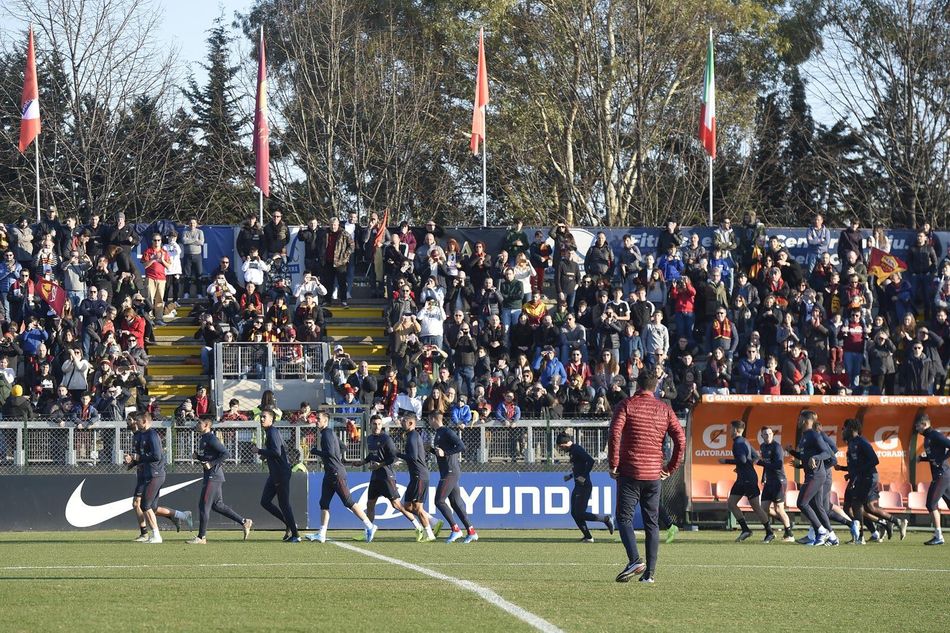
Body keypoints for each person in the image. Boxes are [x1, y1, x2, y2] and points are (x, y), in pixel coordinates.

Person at [608, 371, 685, 583]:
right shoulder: (664, 408)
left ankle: (634, 560)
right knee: (652, 523)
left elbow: (614, 434)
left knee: (624, 518)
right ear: (656, 386)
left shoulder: (626, 405)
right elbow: (680, 439)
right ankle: (649, 574)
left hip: (630, 471)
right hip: (653, 474)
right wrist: (670, 467)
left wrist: (614, 464)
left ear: (637, 384)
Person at [306, 410, 377, 543]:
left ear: (326, 421)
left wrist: (316, 452)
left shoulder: (327, 434)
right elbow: (343, 447)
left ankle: (370, 525)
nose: (316, 421)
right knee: (324, 503)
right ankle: (322, 534)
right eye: (316, 419)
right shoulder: (330, 433)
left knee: (348, 502)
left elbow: (330, 453)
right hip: (330, 472)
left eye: (318, 419)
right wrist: (334, 459)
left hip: (335, 473)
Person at [836, 417, 907, 545]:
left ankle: (861, 537)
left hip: (869, 478)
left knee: (860, 505)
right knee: (863, 507)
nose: (842, 431)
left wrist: (857, 472)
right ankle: (895, 522)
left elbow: (874, 460)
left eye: (844, 428)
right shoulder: (852, 443)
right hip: (859, 478)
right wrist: (845, 470)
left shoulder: (862, 442)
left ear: (851, 428)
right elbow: (856, 465)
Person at [187, 417, 253, 544]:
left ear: (206, 425)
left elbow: (225, 454)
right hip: (211, 476)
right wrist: (198, 457)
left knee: (203, 505)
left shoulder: (211, 438)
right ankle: (244, 522)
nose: (197, 424)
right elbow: (208, 457)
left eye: (200, 422)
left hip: (213, 476)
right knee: (217, 505)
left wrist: (211, 464)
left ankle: (201, 537)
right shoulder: (203, 439)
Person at [360, 414, 423, 541]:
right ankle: (368, 531)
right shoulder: (369, 439)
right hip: (375, 476)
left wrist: (380, 465)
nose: (377, 426)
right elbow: (371, 456)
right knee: (370, 504)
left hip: (386, 476)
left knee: (396, 505)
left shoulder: (386, 439)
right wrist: (362, 462)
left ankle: (418, 526)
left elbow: (394, 457)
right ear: (370, 425)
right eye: (374, 424)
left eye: (379, 424)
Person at [786, 410, 837, 546]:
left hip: (816, 475)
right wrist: (791, 452)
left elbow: (827, 454)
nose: (797, 422)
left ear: (804, 420)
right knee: (817, 506)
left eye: (799, 419)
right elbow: (805, 457)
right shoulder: (804, 436)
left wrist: (815, 458)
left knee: (802, 503)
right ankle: (832, 537)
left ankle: (821, 531)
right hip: (811, 474)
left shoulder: (814, 435)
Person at [718, 420, 774, 543]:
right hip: (742, 478)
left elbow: (743, 460)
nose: (729, 431)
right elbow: (755, 457)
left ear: (735, 430)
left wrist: (726, 461)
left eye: (730, 428)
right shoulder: (744, 441)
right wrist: (743, 467)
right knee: (731, 503)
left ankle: (769, 532)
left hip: (748, 479)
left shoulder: (739, 442)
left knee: (756, 507)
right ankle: (745, 530)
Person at [428, 412, 478, 543]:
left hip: (450, 472)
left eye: (429, 419)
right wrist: (431, 450)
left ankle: (455, 529)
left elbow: (461, 446)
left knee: (439, 501)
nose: (429, 422)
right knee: (456, 503)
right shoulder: (439, 433)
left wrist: (445, 452)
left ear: (433, 419)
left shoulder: (446, 432)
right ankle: (471, 532)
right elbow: (441, 453)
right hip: (447, 472)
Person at [252, 409, 300, 542]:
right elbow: (281, 448)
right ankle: (289, 524)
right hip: (275, 473)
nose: (261, 419)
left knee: (284, 504)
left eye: (264, 417)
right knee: (265, 501)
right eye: (261, 417)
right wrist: (265, 455)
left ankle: (296, 535)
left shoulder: (272, 431)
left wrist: (260, 451)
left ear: (271, 419)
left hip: (280, 472)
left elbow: (277, 452)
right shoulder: (270, 432)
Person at [557, 432, 614, 542]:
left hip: (584, 486)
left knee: (579, 513)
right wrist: (571, 476)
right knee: (574, 513)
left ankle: (606, 519)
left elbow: (590, 461)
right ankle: (588, 537)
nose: (561, 449)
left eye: (560, 447)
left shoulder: (577, 449)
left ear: (564, 444)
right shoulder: (573, 451)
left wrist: (583, 476)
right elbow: (579, 467)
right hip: (578, 485)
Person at [396, 413, 441, 542]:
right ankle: (434, 521)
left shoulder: (413, 436)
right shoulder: (411, 436)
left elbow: (413, 457)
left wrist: (397, 454)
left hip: (419, 475)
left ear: (410, 423)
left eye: (404, 421)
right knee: (407, 506)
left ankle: (430, 534)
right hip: (415, 476)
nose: (401, 423)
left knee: (417, 507)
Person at [915, 413, 950, 545]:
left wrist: (941, 459)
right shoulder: (928, 437)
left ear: (924, 424)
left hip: (941, 475)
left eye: (918, 426)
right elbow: (934, 456)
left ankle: (938, 536)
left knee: (931, 504)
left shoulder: (935, 435)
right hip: (943, 475)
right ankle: (938, 535)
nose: (916, 429)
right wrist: (923, 458)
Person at [756, 426, 794, 542]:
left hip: (779, 481)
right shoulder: (762, 446)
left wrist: (761, 463)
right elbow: (766, 464)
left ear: (773, 435)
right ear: (762, 436)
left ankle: (789, 534)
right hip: (769, 481)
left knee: (778, 508)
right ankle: (785, 523)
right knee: (764, 508)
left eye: (770, 434)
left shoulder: (777, 447)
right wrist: (764, 476)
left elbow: (778, 465)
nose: (768, 436)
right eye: (765, 434)